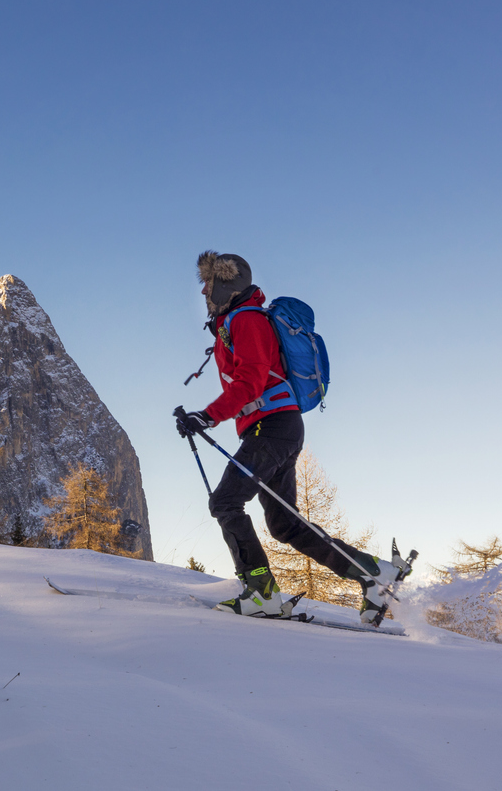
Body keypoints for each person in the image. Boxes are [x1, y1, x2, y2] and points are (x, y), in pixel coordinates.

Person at [175, 250, 409, 622]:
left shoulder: (247, 320)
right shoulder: (233, 322)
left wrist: (208, 415)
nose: (203, 289)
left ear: (225, 285)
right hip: (275, 428)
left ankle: (261, 592)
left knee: (225, 503)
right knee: (284, 524)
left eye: (209, 282)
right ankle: (373, 574)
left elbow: (251, 381)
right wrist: (206, 416)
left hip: (272, 428)